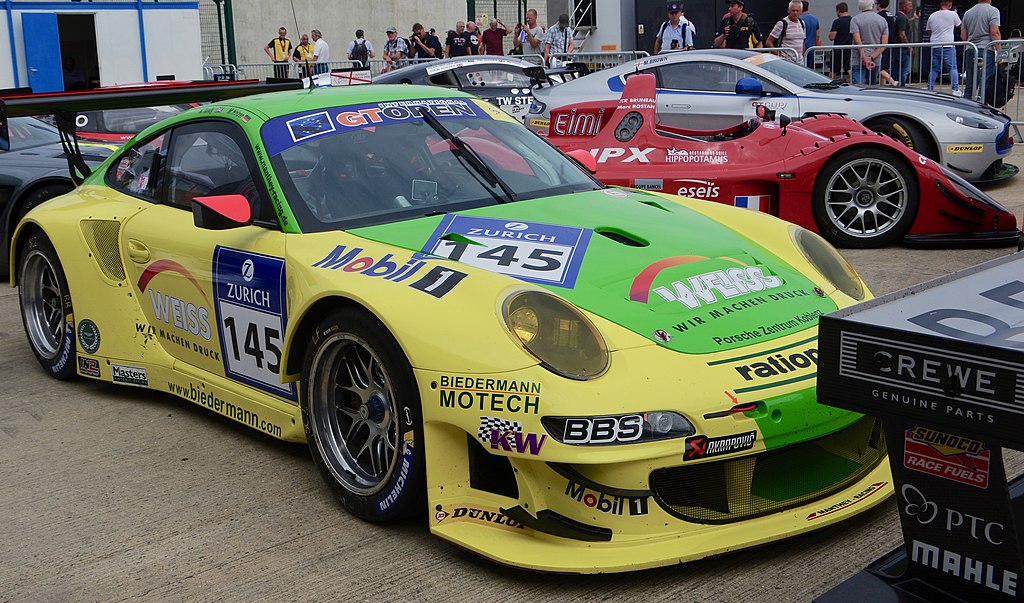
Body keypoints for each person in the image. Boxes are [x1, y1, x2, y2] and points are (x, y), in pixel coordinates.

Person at [962, 0, 1001, 101]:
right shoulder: (993, 11)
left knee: (970, 84)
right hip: (986, 49)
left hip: (970, 49)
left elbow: (963, 36)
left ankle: (965, 108)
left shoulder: (968, 13)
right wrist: (999, 51)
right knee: (984, 83)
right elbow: (994, 33)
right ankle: (981, 109)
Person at [850, 0, 888, 85]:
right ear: (873, 5)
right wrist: (871, 58)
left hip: (858, 59)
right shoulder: (882, 20)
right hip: (876, 59)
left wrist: (865, 58)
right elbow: (884, 43)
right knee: (871, 87)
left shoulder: (855, 20)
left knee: (857, 88)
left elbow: (857, 41)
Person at [926, 0, 960, 94]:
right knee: (952, 68)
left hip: (935, 45)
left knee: (934, 69)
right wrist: (955, 13)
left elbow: (929, 31)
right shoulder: (953, 14)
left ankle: (930, 88)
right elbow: (959, 25)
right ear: (950, 5)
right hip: (948, 44)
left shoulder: (932, 15)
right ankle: (955, 89)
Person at [875, 0, 899, 85]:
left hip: (882, 43)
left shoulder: (879, 16)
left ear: (878, 5)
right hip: (890, 43)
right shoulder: (891, 15)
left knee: (879, 67)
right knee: (885, 67)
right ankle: (883, 85)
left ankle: (892, 81)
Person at [829, 3, 853, 81]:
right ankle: (853, 81)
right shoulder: (852, 20)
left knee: (834, 70)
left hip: (838, 49)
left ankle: (829, 84)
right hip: (849, 48)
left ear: (839, 11)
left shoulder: (837, 22)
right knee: (848, 67)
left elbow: (831, 37)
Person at [894, 0, 911, 85]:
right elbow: (902, 34)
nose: (911, 8)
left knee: (895, 70)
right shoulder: (903, 18)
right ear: (904, 6)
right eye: (909, 6)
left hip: (895, 48)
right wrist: (908, 47)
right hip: (903, 49)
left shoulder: (897, 16)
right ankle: (902, 86)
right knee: (904, 71)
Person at [801, 1, 821, 69]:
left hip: (801, 48)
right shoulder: (815, 18)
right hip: (811, 47)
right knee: (810, 68)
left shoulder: (799, 19)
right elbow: (817, 34)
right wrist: (815, 45)